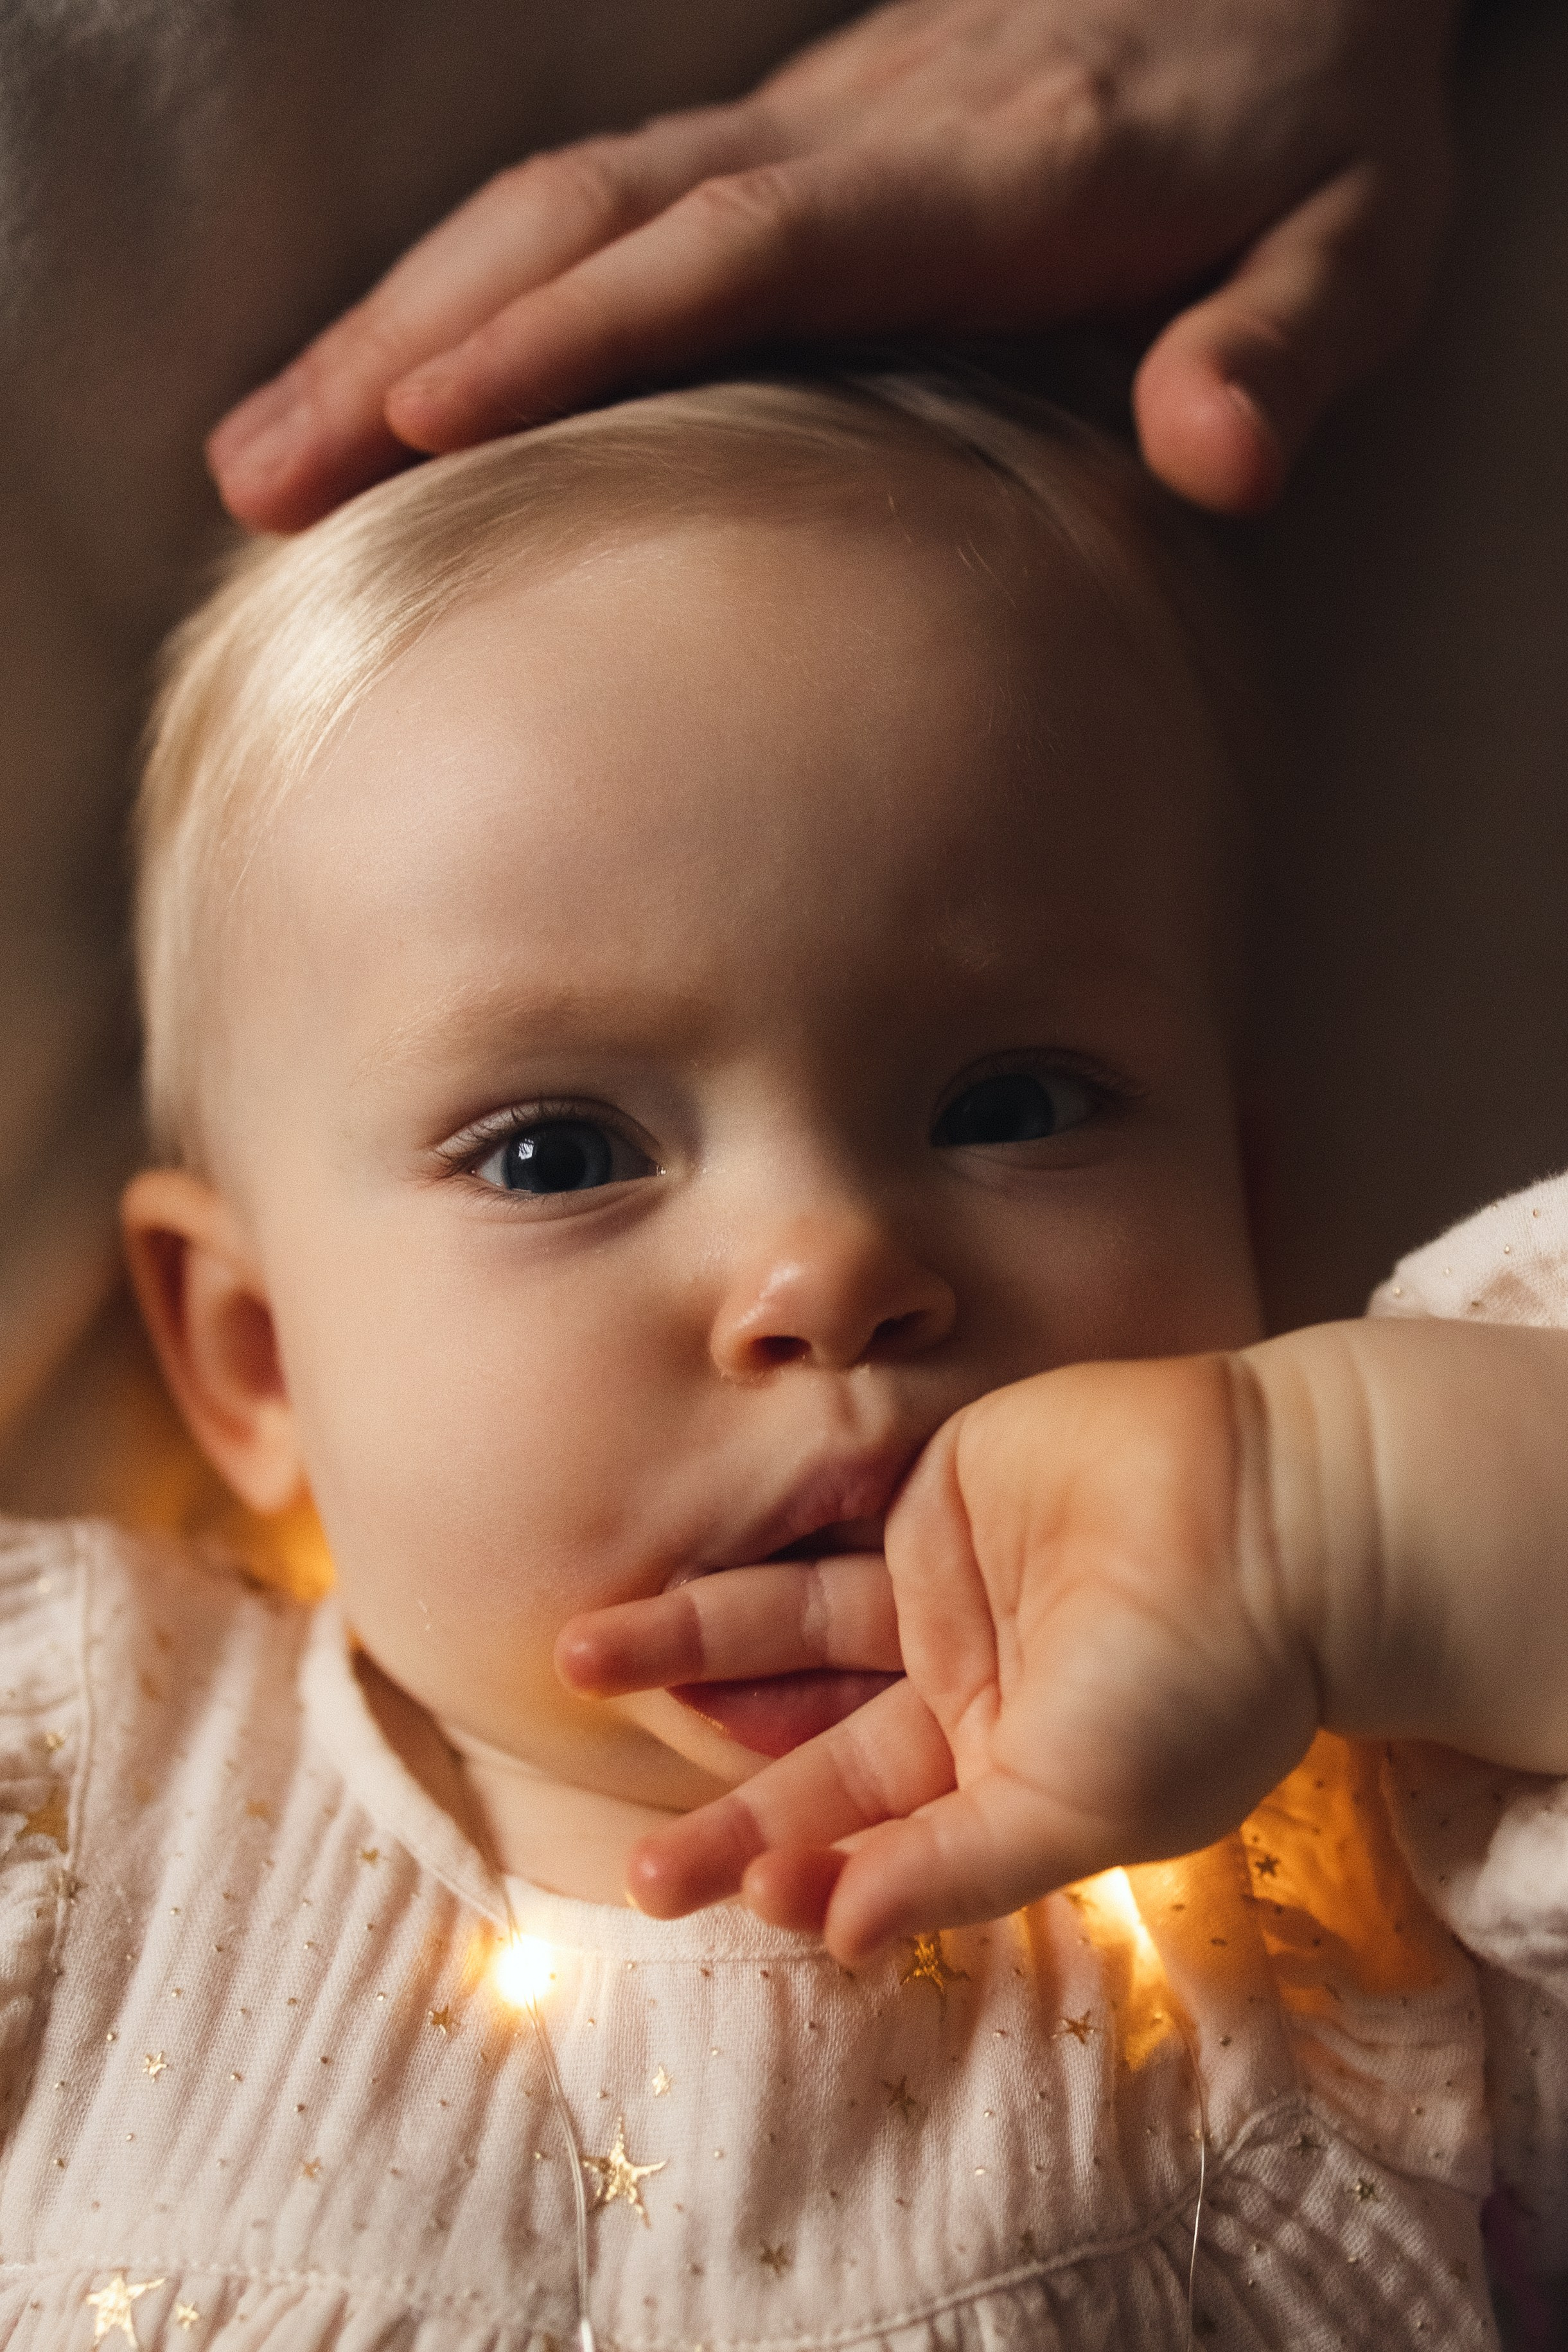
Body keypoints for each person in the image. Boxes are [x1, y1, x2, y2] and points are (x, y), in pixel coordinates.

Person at [4, 358, 1564, 2347]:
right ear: (253, 1357)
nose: (831, 1271)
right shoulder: (89, 1788)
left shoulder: (1354, 1871)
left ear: (1236, 1217)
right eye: (558, 1152)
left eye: (1011, 1105)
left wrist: (1331, 1520)